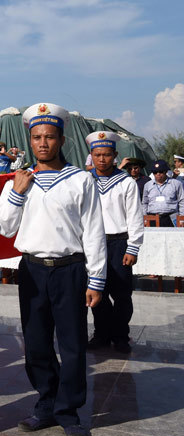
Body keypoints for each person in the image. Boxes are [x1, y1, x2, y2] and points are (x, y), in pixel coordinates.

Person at [0, 103, 105, 436]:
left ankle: (68, 411)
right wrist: (17, 191)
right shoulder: (20, 179)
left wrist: (96, 279)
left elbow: (94, 231)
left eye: (50, 137)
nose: (43, 143)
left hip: (69, 269)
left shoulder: (81, 180)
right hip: (32, 270)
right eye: (37, 137)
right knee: (36, 343)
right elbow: (2, 227)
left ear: (61, 139)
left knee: (72, 345)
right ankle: (45, 403)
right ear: (30, 141)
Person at [84, 132, 143, 354]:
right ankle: (101, 334)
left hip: (118, 242)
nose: (102, 159)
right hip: (92, 243)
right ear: (91, 155)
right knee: (96, 290)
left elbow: (134, 216)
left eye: (107, 154)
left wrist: (133, 246)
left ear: (115, 155)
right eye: (97, 154)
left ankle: (120, 336)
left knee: (121, 293)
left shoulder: (126, 182)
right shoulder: (86, 180)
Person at [142, 160, 184, 227]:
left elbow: (182, 201)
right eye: (155, 172)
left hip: (171, 218)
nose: (158, 174)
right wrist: (145, 219)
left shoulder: (176, 184)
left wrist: (182, 219)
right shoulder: (148, 185)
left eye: (161, 171)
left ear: (166, 171)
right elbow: (145, 203)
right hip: (152, 218)